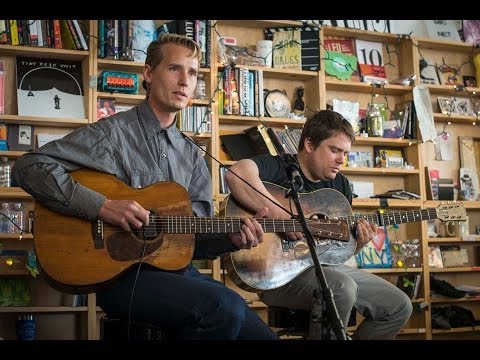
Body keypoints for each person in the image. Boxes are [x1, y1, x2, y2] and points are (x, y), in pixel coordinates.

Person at [11, 33, 279, 341]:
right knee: (223, 306)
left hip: (179, 275)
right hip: (120, 277)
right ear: (149, 74)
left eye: (192, 73)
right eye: (174, 69)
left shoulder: (194, 156)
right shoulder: (113, 134)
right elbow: (28, 167)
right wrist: (101, 206)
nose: (185, 81)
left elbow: (192, 241)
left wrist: (230, 239)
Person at [225, 110, 413, 340]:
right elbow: (237, 174)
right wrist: (283, 217)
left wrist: (360, 242)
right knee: (342, 287)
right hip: (275, 274)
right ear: (310, 144)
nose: (341, 160)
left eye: (345, 153)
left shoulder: (340, 186)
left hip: (323, 269)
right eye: (334, 150)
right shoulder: (281, 167)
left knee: (399, 305)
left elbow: (334, 253)